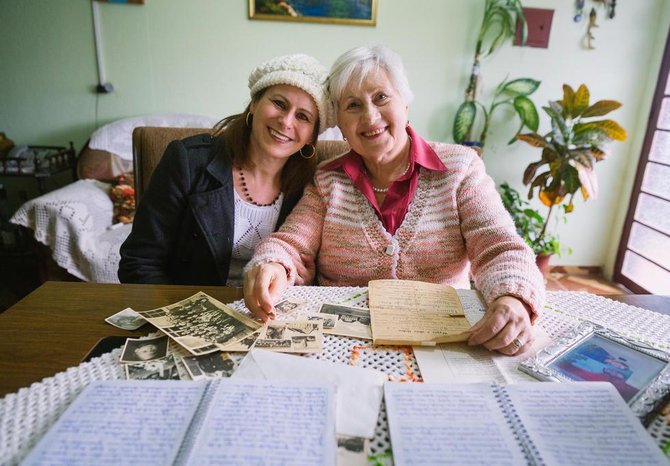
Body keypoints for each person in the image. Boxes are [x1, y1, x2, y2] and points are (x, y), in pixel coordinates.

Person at [244, 45, 545, 356]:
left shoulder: (460, 168)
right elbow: (292, 245)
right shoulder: (327, 179)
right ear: (341, 126)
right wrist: (273, 266)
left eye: (381, 98)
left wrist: (514, 298)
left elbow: (500, 246)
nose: (370, 116)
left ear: (405, 104)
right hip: (343, 344)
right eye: (352, 105)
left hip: (445, 344)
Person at [118, 53, 332, 286]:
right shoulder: (188, 161)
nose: (286, 121)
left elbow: (313, 270)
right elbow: (139, 262)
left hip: (273, 313)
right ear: (254, 103)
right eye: (279, 103)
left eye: (303, 116)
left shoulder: (316, 185)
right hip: (187, 310)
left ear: (312, 136)